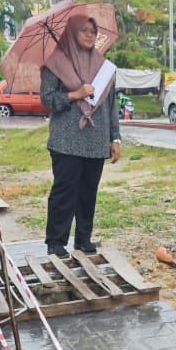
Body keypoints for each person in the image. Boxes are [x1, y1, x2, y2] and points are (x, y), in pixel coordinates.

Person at [39, 13, 122, 257]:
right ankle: (56, 241)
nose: (90, 35)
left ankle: (83, 238)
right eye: (84, 30)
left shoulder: (103, 67)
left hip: (96, 141)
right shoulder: (56, 63)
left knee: (88, 192)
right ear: (71, 33)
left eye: (93, 31)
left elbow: (111, 105)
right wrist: (74, 94)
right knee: (65, 191)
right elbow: (47, 99)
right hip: (66, 140)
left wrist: (114, 138)